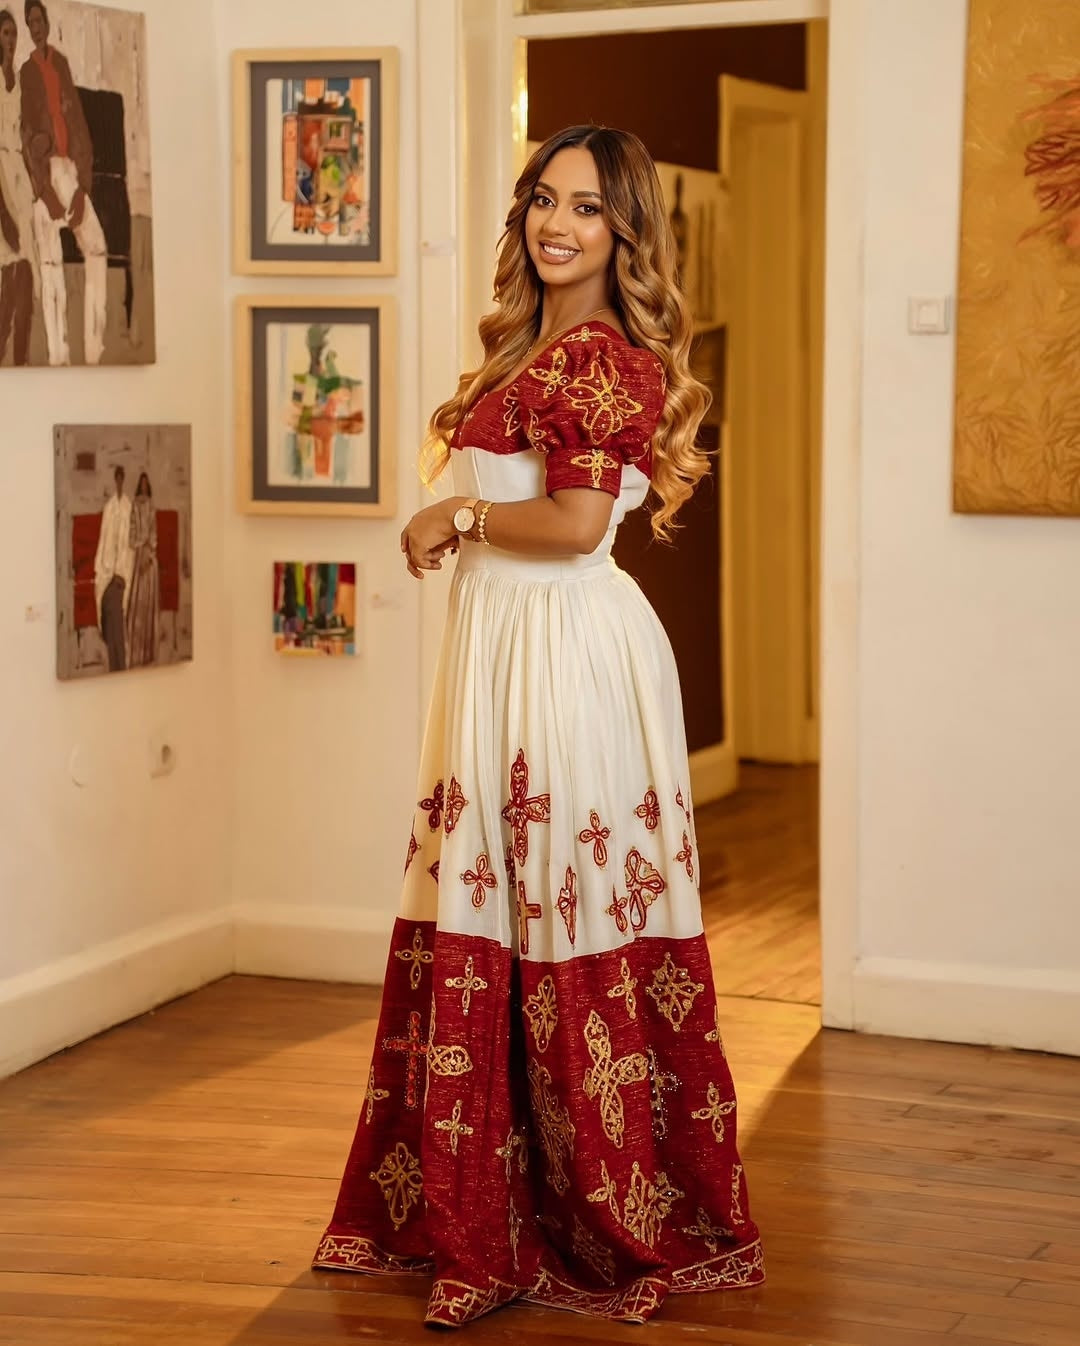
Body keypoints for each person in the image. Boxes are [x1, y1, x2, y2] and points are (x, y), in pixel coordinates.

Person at [312, 125, 763, 1328]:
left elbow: (570, 524)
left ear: (627, 231)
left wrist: (454, 516)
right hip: (506, 647)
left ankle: (587, 1213)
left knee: (550, 904)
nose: (556, 224)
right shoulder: (534, 345)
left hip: (561, 654)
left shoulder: (609, 358)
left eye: (588, 208)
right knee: (491, 901)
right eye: (542, 200)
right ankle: (482, 1207)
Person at [20, 0, 107, 366]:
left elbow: (80, 126)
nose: (36, 27)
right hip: (42, 173)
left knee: (97, 248)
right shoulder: (26, 72)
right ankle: (59, 356)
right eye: (30, 23)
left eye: (39, 20)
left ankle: (94, 350)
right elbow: (26, 136)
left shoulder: (61, 63)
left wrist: (82, 188)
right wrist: (43, 191)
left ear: (47, 22)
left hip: (69, 170)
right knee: (50, 265)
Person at [0, 8, 33, 365]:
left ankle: (20, 363)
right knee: (9, 278)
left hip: (19, 176)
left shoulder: (19, 81)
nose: (11, 40)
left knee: (25, 276)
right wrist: (3, 215)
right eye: (5, 33)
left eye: (13, 34)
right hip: (0, 180)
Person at [94, 464, 132, 672]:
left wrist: (121, 572)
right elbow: (105, 539)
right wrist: (104, 569)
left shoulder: (127, 507)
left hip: (120, 573)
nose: (119, 481)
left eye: (121, 477)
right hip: (107, 571)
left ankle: (120, 666)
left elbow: (127, 544)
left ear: (123, 479)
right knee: (109, 619)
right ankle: (114, 665)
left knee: (117, 619)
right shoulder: (110, 508)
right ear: (115, 479)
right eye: (116, 477)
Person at [125, 471, 159, 668]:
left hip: (149, 555)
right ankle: (136, 650)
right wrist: (141, 547)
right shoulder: (135, 506)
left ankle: (149, 650)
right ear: (140, 485)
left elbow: (154, 531)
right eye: (142, 484)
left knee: (149, 601)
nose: (144, 487)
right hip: (139, 555)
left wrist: (151, 551)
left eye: (147, 484)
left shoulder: (152, 507)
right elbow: (131, 533)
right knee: (138, 601)